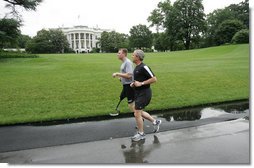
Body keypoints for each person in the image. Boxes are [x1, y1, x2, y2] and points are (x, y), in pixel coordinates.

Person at [130, 49, 162, 142]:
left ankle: (141, 134)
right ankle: (155, 122)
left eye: (133, 55)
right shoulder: (136, 67)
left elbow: (154, 79)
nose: (131, 56)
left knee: (137, 113)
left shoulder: (144, 67)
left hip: (145, 93)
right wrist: (134, 84)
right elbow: (138, 81)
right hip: (139, 93)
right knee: (138, 112)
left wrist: (142, 83)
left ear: (138, 57)